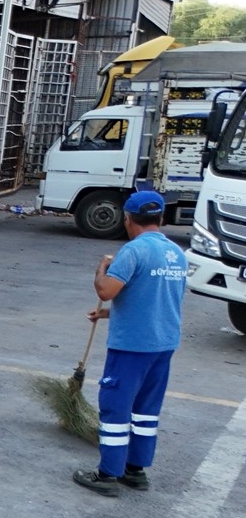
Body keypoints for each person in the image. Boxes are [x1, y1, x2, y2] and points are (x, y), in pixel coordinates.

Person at [72, 190, 186, 497]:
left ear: (127, 219)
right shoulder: (175, 253)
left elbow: (106, 289)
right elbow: (155, 298)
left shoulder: (133, 251)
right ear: (161, 219)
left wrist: (102, 267)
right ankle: (136, 470)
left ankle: (108, 475)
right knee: (145, 411)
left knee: (115, 409)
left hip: (132, 347)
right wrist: (108, 315)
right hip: (163, 345)